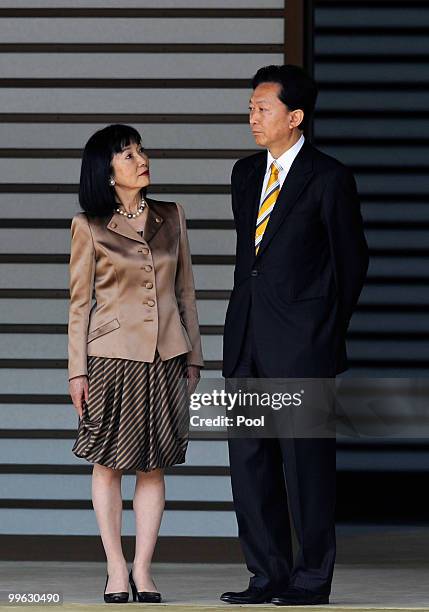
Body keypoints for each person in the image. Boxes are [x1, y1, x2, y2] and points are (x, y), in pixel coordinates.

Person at [221, 65, 369, 606]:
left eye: (263, 108)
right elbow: (252, 265)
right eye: (251, 107)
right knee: (251, 464)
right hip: (245, 340)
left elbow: (351, 264)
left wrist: (321, 330)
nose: (252, 116)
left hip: (303, 345)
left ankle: (310, 581)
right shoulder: (242, 174)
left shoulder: (329, 177)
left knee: (306, 466)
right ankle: (266, 577)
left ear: (295, 117)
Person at [68, 124, 203, 604]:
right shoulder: (89, 225)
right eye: (128, 155)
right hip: (110, 359)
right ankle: (114, 569)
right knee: (107, 464)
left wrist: (194, 356)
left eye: (140, 151)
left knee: (154, 465)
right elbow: (79, 305)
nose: (141, 159)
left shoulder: (173, 215)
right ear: (106, 173)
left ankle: (143, 570)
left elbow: (185, 291)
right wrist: (76, 370)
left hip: (166, 356)